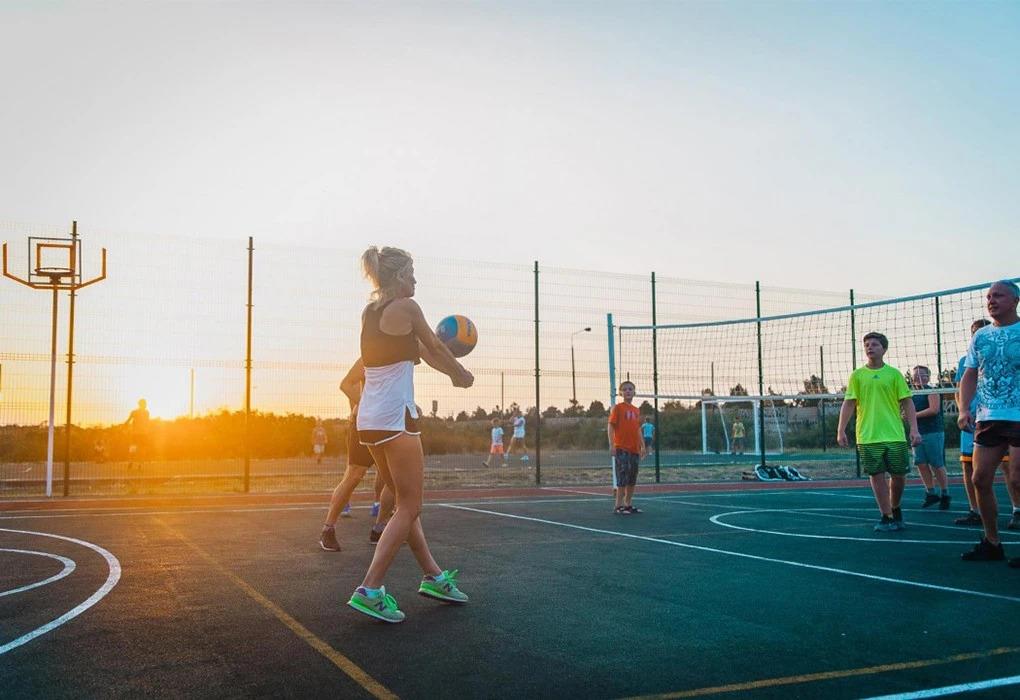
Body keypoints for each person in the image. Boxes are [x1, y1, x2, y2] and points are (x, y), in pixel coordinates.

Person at [347, 246, 474, 623]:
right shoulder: (408, 308)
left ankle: (434, 577)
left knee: (405, 503)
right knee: (410, 506)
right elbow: (434, 344)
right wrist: (460, 374)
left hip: (369, 420)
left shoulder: (371, 312)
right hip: (395, 418)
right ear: (400, 276)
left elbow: (422, 350)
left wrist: (451, 372)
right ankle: (370, 589)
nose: (416, 280)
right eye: (412, 273)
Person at [957, 281, 1020, 566]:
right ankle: (992, 543)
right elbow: (970, 375)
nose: (991, 301)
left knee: (1017, 479)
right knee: (979, 479)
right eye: (988, 297)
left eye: (998, 295)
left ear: (1015, 300)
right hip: (989, 416)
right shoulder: (980, 336)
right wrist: (963, 409)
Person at [837, 332, 921, 532]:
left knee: (899, 475)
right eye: (867, 344)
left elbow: (907, 402)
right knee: (876, 475)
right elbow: (849, 403)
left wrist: (914, 429)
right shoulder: (857, 375)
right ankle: (886, 515)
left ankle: (895, 507)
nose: (870, 347)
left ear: (884, 349)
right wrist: (841, 430)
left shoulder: (894, 374)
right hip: (868, 435)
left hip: (894, 434)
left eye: (874, 344)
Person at [320, 359, 394, 551]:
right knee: (354, 475)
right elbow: (346, 384)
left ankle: (379, 529)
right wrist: (369, 405)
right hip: (365, 422)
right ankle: (328, 529)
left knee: (392, 477)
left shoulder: (400, 357)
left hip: (390, 423)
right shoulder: (369, 356)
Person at [910, 366, 949, 510]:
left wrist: (913, 415)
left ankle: (945, 493)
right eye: (915, 375)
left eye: (922, 375)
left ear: (928, 377)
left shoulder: (931, 391)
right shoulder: (911, 394)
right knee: (921, 463)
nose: (918, 377)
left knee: (936, 463)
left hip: (933, 431)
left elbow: (934, 409)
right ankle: (931, 492)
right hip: (917, 432)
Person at [609, 380, 646, 514]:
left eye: (630, 389)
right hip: (622, 448)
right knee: (622, 477)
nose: (628, 391)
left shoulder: (636, 410)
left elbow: (637, 429)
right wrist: (612, 445)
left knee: (632, 478)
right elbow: (611, 426)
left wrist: (642, 446)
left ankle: (628, 504)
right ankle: (618, 505)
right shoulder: (618, 408)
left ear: (634, 392)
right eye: (625, 389)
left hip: (634, 449)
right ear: (621, 393)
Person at [124, 398, 150, 470]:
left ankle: (132, 462)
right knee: (142, 449)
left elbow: (128, 420)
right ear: (143, 404)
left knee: (133, 447)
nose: (145, 405)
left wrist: (124, 426)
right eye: (144, 403)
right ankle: (139, 464)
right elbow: (147, 423)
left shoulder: (134, 412)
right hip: (143, 433)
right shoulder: (146, 412)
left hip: (136, 433)